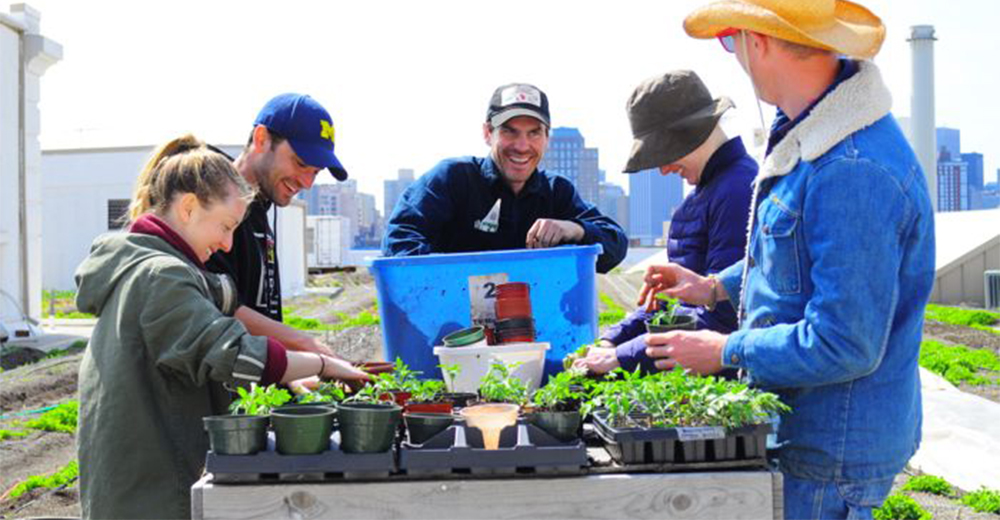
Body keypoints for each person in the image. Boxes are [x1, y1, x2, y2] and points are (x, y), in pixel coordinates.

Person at [642, 0, 935, 519]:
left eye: (731, 42)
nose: (736, 57)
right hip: (810, 433)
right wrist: (714, 286)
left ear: (759, 41)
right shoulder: (815, 132)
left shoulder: (851, 169)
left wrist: (725, 349)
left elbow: (845, 343)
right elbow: (794, 249)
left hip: (831, 449)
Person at [75, 135, 368, 520]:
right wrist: (322, 364)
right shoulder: (160, 277)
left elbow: (211, 311)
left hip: (134, 483)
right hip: (151, 492)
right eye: (226, 226)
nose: (229, 245)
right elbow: (233, 355)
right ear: (189, 207)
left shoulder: (149, 266)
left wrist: (294, 373)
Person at [576, 70, 756, 375]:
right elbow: (668, 307)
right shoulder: (706, 194)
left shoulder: (738, 189)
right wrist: (612, 340)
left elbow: (724, 319)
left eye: (663, 152)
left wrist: (620, 356)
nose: (663, 169)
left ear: (690, 133)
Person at [382, 82, 628, 273]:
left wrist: (574, 229)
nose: (522, 146)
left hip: (536, 318)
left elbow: (615, 246)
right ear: (488, 133)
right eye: (510, 132)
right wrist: (457, 272)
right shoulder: (452, 178)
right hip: (453, 316)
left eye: (534, 133)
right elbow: (399, 239)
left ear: (547, 138)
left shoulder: (557, 191)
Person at [206, 93, 348, 358]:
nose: (307, 183)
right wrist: (304, 344)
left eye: (315, 172)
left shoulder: (261, 206)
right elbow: (213, 303)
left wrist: (295, 365)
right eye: (301, 163)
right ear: (261, 139)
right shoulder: (210, 200)